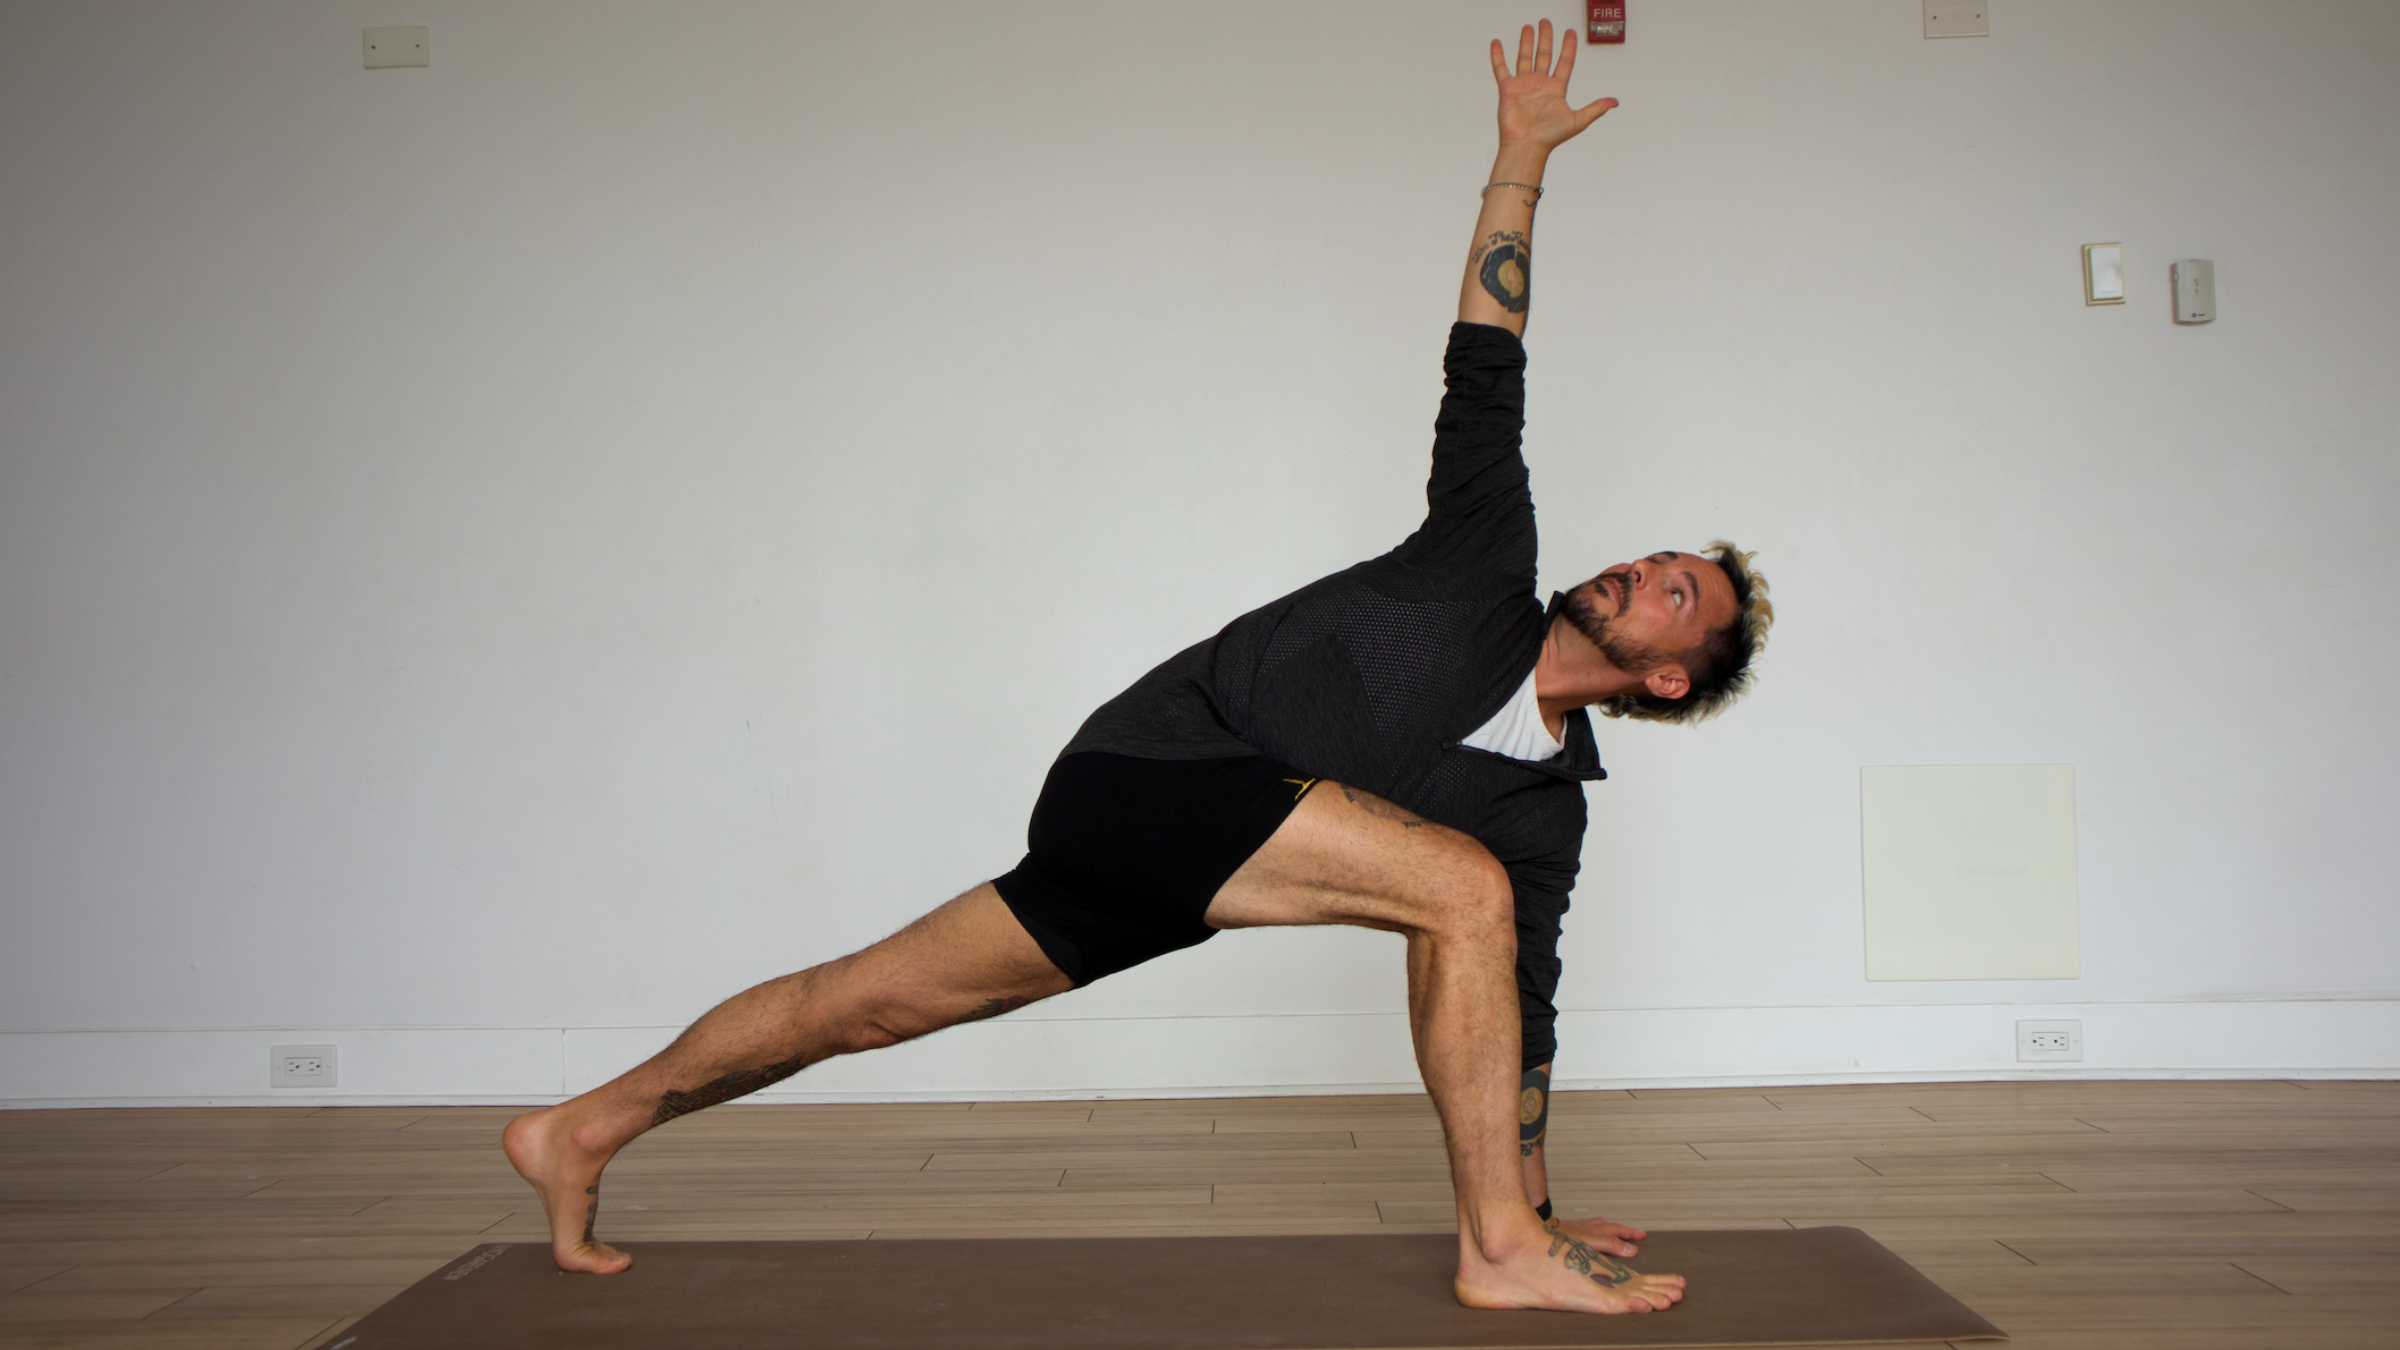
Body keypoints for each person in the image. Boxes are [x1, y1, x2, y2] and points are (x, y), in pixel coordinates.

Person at [505, 19, 1769, 1315]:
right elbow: (1486, 360)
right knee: (1459, 885)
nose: (1642, 568)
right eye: (1657, 554)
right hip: (1154, 771)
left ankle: (583, 1127)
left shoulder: (1543, 812)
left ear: (1668, 677)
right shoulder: (1482, 551)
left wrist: (1547, 1197)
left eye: (1678, 591)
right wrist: (1520, 162)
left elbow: (1522, 1012)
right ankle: (1494, 1249)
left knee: (868, 1005)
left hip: (1203, 846)